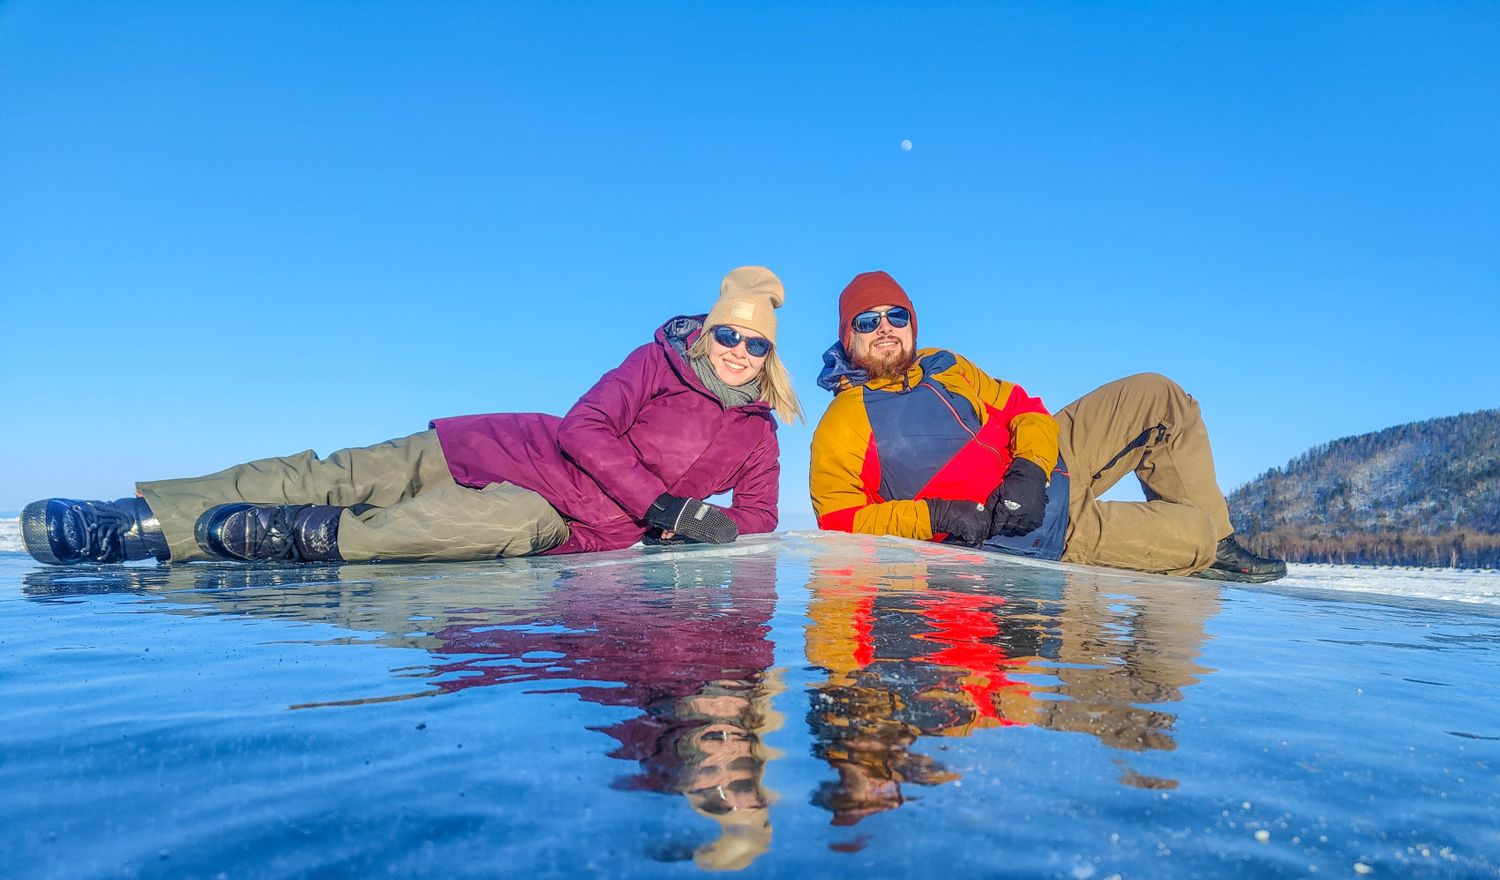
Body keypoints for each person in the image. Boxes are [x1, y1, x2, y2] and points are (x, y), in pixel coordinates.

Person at [22, 266, 800, 566]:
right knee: (335, 471)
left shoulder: (757, 434)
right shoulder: (653, 363)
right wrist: (665, 506)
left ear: (770, 355)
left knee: (463, 529)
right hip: (506, 443)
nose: (737, 350)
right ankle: (131, 519)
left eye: (753, 343)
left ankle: (288, 539)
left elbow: (757, 523)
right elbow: (581, 428)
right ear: (705, 328)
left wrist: (694, 528)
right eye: (727, 332)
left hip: (558, 513)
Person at [809, 270, 1286, 582]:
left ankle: (1222, 546)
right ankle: (1204, 545)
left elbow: (1023, 406)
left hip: (1049, 463)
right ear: (848, 338)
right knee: (1191, 534)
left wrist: (1031, 469)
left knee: (1158, 395)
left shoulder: (943, 362)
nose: (885, 328)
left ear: (912, 323)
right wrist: (936, 517)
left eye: (896, 316)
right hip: (1032, 529)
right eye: (867, 322)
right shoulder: (843, 423)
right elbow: (839, 524)